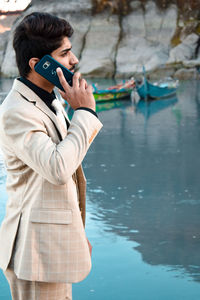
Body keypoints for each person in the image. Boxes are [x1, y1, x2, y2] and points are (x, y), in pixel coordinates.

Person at [0, 12, 103, 300]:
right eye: (65, 53)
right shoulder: (17, 112)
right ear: (38, 65)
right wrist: (84, 112)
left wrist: (76, 233)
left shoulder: (50, 98)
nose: (75, 61)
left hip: (52, 244)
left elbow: (64, 176)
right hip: (35, 254)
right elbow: (57, 168)